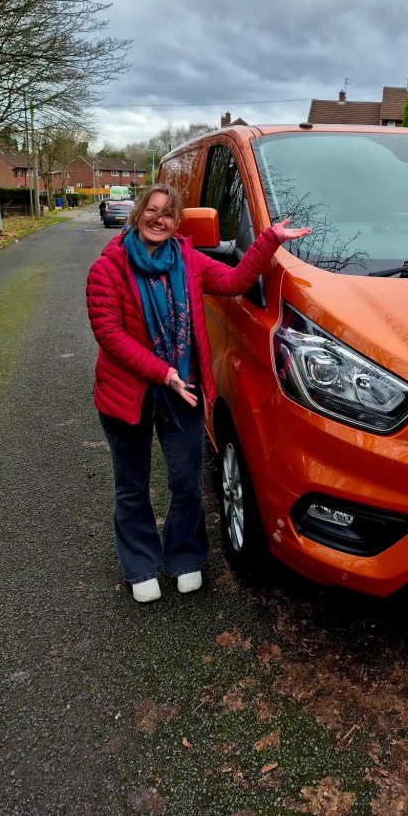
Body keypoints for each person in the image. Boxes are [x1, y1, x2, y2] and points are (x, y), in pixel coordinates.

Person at [86, 183, 311, 602]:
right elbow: (110, 334)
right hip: (128, 393)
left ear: (176, 222)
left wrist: (269, 241)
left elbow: (233, 280)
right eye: (152, 211)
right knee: (132, 485)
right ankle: (140, 566)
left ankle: (185, 557)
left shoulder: (188, 260)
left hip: (182, 391)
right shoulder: (108, 268)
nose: (159, 219)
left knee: (186, 481)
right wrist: (162, 371)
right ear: (138, 215)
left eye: (168, 214)